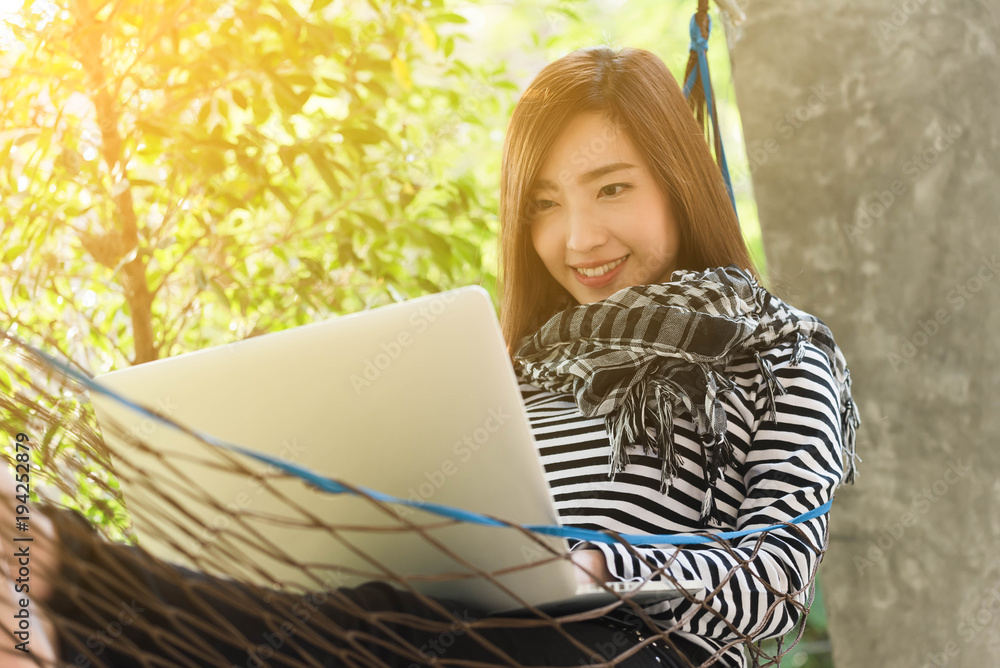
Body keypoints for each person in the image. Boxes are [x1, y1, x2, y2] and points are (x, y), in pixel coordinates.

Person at [0, 45, 859, 668]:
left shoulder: (777, 347)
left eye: (612, 189)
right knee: (366, 609)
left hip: (636, 651)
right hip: (437, 629)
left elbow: (776, 578)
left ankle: (71, 599)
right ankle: (54, 577)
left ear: (678, 182)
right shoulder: (505, 374)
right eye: (546, 204)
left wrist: (596, 564)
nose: (577, 237)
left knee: (435, 629)